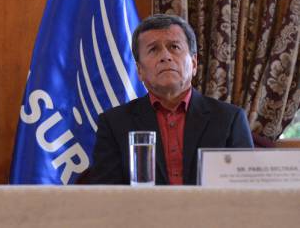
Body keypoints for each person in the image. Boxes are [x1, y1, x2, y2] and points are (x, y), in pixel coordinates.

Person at [89, 14, 253, 185]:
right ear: (139, 71)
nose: (165, 57)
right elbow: (106, 195)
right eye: (153, 49)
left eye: (174, 47)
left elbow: (246, 192)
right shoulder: (114, 123)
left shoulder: (229, 119)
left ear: (194, 63)